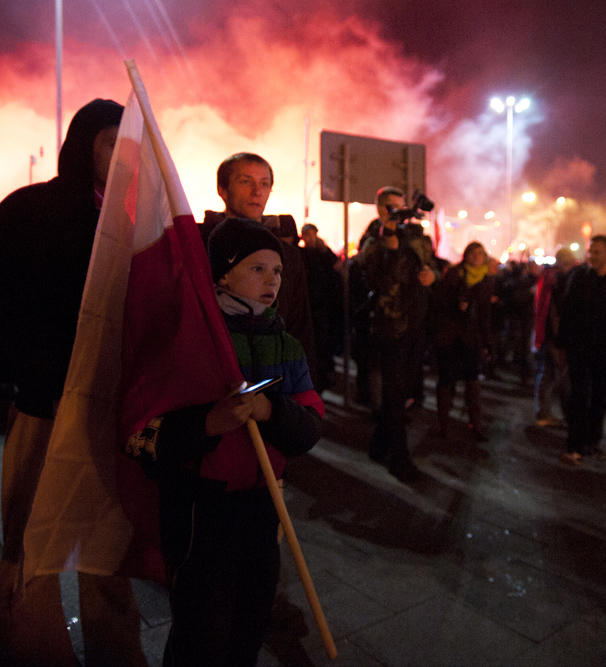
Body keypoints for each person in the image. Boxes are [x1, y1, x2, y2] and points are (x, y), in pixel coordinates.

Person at [125, 217, 323, 664]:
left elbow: (310, 427)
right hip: (202, 511)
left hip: (263, 508)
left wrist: (272, 410)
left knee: (247, 629)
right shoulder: (189, 338)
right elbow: (140, 437)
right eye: (256, 269)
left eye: (277, 270)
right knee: (201, 635)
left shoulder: (287, 344)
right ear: (221, 273)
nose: (271, 279)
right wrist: (208, 424)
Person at [0, 99, 148, 666]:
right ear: (84, 146)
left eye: (124, 145)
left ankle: (117, 652)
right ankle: (32, 646)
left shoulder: (129, 223)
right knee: (28, 541)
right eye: (108, 143)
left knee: (106, 543)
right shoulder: (30, 210)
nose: (117, 156)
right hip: (41, 402)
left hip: (105, 410)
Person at [204, 153, 319, 390]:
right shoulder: (198, 245)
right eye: (245, 181)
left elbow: (299, 323)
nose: (257, 191)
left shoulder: (288, 255)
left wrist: (304, 391)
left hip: (276, 387)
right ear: (222, 189)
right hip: (212, 383)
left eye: (264, 183)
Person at [360, 186, 437, 480]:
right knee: (394, 393)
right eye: (391, 207)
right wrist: (390, 242)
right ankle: (399, 458)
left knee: (403, 391)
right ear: (380, 209)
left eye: (400, 206)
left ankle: (379, 447)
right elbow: (378, 280)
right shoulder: (373, 240)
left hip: (416, 322)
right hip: (390, 326)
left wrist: (432, 276)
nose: (398, 212)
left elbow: (431, 264)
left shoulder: (416, 236)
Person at [557, 235, 606, 465]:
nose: (591, 256)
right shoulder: (579, 276)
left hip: (605, 347)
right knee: (579, 395)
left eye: (597, 252)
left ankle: (593, 440)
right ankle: (575, 445)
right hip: (579, 347)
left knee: (600, 397)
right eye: (590, 251)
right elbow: (568, 311)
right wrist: (563, 345)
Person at [432, 242, 495, 441]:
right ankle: (442, 424)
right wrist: (456, 305)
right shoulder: (453, 274)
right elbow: (440, 302)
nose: (477, 256)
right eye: (473, 253)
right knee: (446, 381)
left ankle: (476, 425)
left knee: (473, 382)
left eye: (481, 253)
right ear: (466, 255)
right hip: (450, 336)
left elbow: (485, 315)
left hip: (471, 337)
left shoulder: (486, 280)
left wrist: (487, 343)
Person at [533, 247, 575, 426]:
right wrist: (560, 338)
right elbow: (557, 311)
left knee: (548, 373)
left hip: (549, 333)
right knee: (560, 375)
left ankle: (544, 412)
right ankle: (565, 415)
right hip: (556, 335)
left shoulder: (548, 277)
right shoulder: (558, 280)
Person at [300, 223, 345, 391]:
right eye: (307, 235)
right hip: (310, 305)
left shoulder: (323, 253)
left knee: (324, 344)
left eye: (313, 234)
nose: (310, 238)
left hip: (324, 306)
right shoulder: (302, 253)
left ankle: (326, 375)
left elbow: (336, 267)